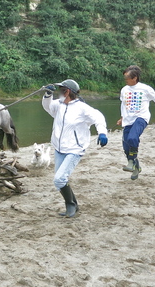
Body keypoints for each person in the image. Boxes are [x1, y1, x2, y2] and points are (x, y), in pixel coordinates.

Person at [42, 79, 108, 218]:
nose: (59, 92)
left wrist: (102, 132)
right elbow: (47, 107)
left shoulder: (82, 108)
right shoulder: (58, 104)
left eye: (61, 89)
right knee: (60, 180)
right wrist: (48, 95)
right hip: (59, 148)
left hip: (74, 149)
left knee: (59, 180)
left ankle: (70, 205)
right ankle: (74, 205)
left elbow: (99, 117)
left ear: (68, 92)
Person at [116, 65, 155, 180]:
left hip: (141, 117)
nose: (125, 80)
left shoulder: (145, 88)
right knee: (126, 147)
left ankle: (131, 161)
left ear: (134, 78)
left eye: (127, 78)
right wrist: (122, 118)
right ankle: (136, 167)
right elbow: (123, 105)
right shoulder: (124, 90)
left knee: (132, 138)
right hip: (128, 119)